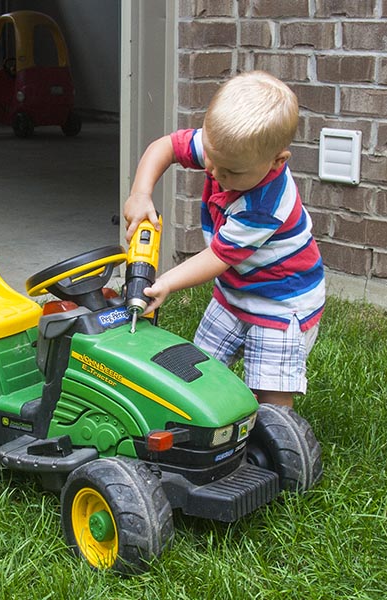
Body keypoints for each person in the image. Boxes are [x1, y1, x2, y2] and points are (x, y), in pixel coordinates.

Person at [123, 70, 324, 408]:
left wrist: (168, 281)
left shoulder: (266, 206)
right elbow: (166, 147)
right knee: (200, 369)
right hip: (234, 292)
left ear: (277, 161)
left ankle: (272, 446)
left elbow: (218, 256)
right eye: (212, 161)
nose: (215, 173)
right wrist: (140, 193)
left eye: (230, 172)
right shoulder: (226, 151)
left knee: (269, 397)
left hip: (281, 303)